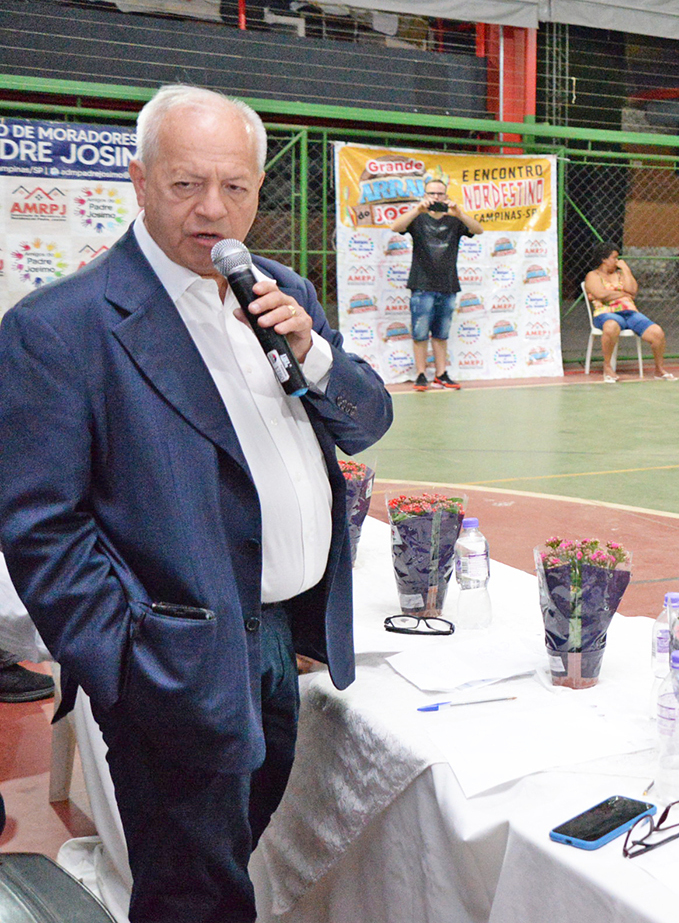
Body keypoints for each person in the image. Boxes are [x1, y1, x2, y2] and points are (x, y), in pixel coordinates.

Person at [0, 84, 395, 922]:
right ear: (140, 182)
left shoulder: (276, 291)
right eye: (186, 184)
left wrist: (312, 351)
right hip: (173, 659)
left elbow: (368, 421)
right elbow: (41, 528)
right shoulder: (62, 326)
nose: (213, 209)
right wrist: (128, 663)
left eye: (236, 187)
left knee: (228, 853)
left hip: (280, 639)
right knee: (193, 890)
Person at [389, 173, 483, 391]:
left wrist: (459, 213)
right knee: (420, 333)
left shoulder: (454, 220)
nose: (436, 197)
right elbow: (395, 227)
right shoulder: (418, 218)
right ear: (425, 195)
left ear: (446, 195)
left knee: (441, 334)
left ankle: (441, 374)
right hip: (421, 283)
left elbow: (478, 230)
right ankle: (421, 374)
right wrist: (417, 210)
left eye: (440, 194)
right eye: (432, 193)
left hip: (448, 284)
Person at [584, 243, 673, 382]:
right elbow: (601, 294)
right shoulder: (593, 275)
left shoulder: (620, 274)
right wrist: (622, 294)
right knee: (611, 325)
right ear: (604, 259)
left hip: (630, 313)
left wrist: (626, 269)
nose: (617, 261)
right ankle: (607, 367)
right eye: (614, 258)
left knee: (657, 332)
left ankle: (659, 369)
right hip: (606, 313)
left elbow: (632, 291)